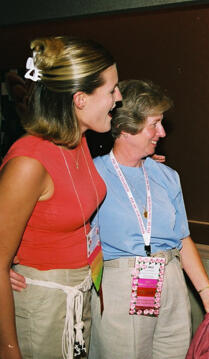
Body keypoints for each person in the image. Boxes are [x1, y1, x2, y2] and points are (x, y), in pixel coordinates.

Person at [0, 36, 121, 359]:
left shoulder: (77, 140)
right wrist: (9, 349)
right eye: (111, 90)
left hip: (76, 295)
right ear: (80, 100)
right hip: (41, 305)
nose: (118, 98)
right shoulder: (29, 162)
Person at [89, 79, 209, 359]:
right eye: (154, 124)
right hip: (120, 285)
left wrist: (206, 292)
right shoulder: (93, 175)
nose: (162, 132)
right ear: (126, 127)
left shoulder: (167, 176)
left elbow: (182, 238)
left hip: (172, 281)